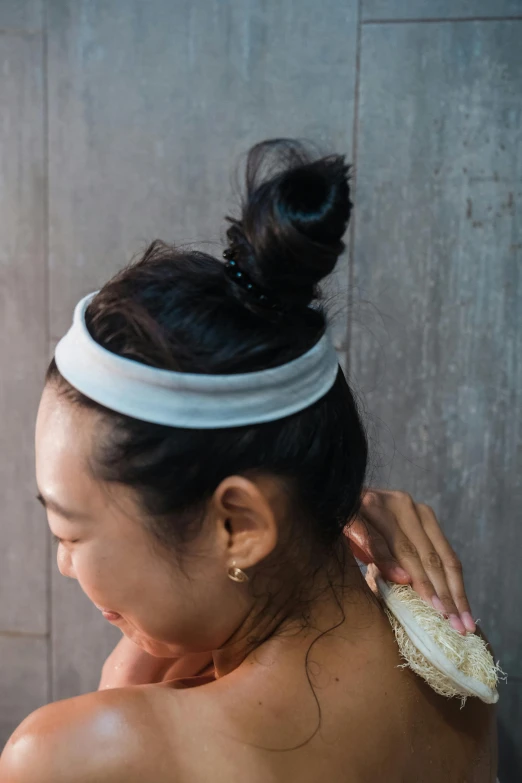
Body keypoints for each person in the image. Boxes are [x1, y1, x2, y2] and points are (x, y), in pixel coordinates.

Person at [0, 139, 497, 782]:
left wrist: (114, 697)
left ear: (239, 524)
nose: (63, 564)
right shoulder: (453, 651)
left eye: (69, 530)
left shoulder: (79, 755)